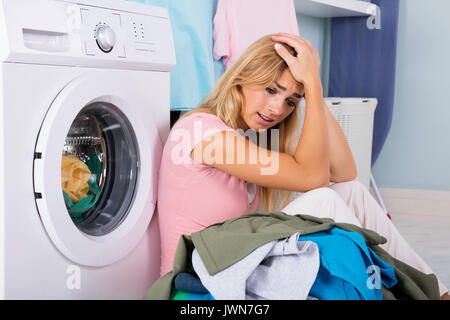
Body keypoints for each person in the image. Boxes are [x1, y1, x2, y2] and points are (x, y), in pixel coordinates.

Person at [157, 32, 449, 299]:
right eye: (271, 89)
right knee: (324, 198)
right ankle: (401, 291)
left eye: (291, 102)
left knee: (351, 191)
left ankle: (436, 292)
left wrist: (313, 93)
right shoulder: (202, 133)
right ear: (242, 77)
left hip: (236, 258)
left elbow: (344, 172)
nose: (277, 109)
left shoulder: (248, 136)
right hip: (203, 274)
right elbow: (313, 178)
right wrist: (311, 83)